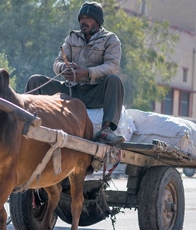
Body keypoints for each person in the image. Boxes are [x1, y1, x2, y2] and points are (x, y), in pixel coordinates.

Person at [24, 1, 125, 146]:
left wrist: (87, 73)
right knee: (35, 80)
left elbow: (112, 66)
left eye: (87, 18)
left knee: (114, 80)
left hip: (94, 92)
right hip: (71, 90)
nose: (83, 21)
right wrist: (63, 69)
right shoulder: (72, 38)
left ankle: (106, 130)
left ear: (97, 21)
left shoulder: (110, 39)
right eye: (81, 18)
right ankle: (26, 119)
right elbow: (57, 62)